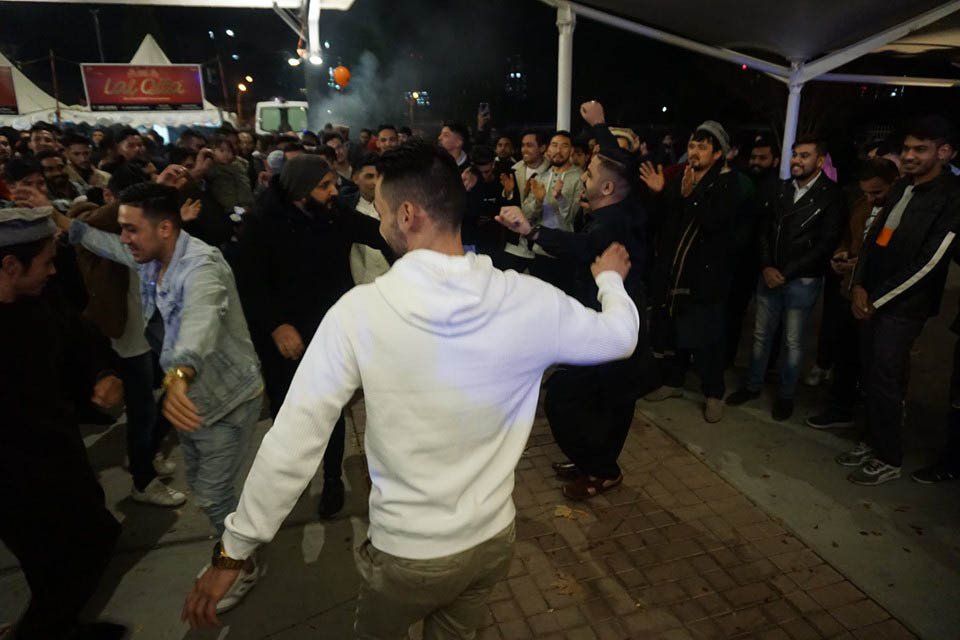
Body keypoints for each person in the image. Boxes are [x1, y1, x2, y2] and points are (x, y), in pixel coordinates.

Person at [181, 140, 639, 635]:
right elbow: (619, 337)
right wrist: (611, 281)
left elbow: (293, 442)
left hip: (408, 554)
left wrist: (234, 551)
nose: (376, 224)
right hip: (491, 542)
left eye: (379, 212)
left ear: (406, 214)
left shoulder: (359, 314)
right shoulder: (527, 300)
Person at [55, 182, 266, 612]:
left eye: (132, 230)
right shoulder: (154, 257)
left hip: (224, 401)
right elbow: (109, 247)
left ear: (165, 228)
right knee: (214, 489)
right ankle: (240, 549)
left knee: (212, 493)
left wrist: (180, 375)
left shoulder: (202, 267)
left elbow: (200, 319)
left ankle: (240, 568)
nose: (125, 239)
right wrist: (63, 224)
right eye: (123, 229)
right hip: (191, 400)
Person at [497, 100, 645, 499]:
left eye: (591, 174)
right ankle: (590, 460)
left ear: (608, 188)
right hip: (596, 325)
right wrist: (598, 127)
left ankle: (603, 468)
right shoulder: (608, 211)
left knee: (579, 401)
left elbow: (582, 247)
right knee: (580, 399)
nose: (584, 177)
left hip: (615, 331)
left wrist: (531, 231)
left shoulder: (615, 222)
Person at [235, 155, 392, 519]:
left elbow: (377, 233)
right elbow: (250, 284)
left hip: (327, 332)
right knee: (288, 412)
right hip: (281, 340)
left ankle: (333, 478)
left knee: (331, 409)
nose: (334, 191)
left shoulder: (335, 215)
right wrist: (276, 325)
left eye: (334, 183)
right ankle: (290, 476)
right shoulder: (261, 223)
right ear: (299, 189)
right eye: (324, 186)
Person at [0, 207, 126, 640]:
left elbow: (80, 336)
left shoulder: (40, 297)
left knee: (92, 542)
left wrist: (102, 373)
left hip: (59, 455)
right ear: (10, 266)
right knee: (63, 561)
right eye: (47, 263)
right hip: (14, 483)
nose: (54, 272)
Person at [838, 116, 960, 486]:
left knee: (886, 377)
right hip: (871, 299)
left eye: (919, 149)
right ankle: (872, 439)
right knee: (872, 373)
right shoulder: (902, 186)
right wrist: (858, 285)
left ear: (944, 151)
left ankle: (888, 456)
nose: (908, 156)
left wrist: (877, 297)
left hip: (904, 307)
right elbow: (875, 238)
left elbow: (932, 261)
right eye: (906, 149)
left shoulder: (951, 196)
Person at [67, 163, 188, 507]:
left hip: (152, 328)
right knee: (142, 410)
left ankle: (145, 456)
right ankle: (142, 481)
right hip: (127, 336)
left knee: (166, 394)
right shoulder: (96, 228)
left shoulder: (139, 233)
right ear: (110, 198)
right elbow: (81, 227)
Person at [726, 135, 845, 420]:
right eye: (795, 154)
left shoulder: (831, 196)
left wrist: (786, 273)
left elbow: (825, 244)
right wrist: (767, 266)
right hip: (770, 276)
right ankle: (753, 386)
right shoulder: (779, 190)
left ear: (819, 160)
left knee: (792, 341)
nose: (797, 160)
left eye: (804, 155)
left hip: (801, 281)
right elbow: (764, 231)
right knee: (760, 335)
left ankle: (786, 395)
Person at [640, 121, 740, 423]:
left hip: (706, 276)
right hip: (673, 271)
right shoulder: (678, 179)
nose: (694, 152)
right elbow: (660, 223)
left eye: (703, 147)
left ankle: (713, 394)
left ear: (719, 154)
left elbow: (713, 223)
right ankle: (673, 382)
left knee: (707, 337)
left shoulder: (729, 183)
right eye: (693, 145)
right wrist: (659, 194)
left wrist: (691, 194)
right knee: (673, 331)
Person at [806, 158, 899, 431]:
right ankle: (840, 408)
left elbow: (888, 255)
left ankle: (873, 424)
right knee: (844, 354)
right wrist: (841, 255)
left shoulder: (898, 214)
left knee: (873, 365)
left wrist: (857, 266)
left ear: (894, 184)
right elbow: (848, 237)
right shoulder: (861, 204)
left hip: (875, 300)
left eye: (877, 193)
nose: (871, 199)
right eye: (866, 192)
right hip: (848, 291)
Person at [526, 130, 584, 292]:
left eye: (564, 146)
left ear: (571, 150)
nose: (558, 150)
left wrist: (559, 198)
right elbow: (528, 216)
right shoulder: (541, 177)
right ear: (548, 149)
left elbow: (572, 217)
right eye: (554, 145)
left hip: (565, 251)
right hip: (540, 249)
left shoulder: (580, 178)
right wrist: (538, 201)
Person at [499, 130, 550, 272]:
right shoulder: (513, 170)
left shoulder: (552, 172)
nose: (524, 149)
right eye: (522, 145)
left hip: (539, 246)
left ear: (542, 148)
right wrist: (508, 193)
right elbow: (503, 205)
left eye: (529, 145)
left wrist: (540, 201)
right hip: (513, 245)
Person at [348, 153, 390, 285]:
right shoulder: (346, 209)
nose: (375, 182)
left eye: (379, 177)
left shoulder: (395, 205)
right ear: (355, 178)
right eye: (369, 176)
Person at [205, 134, 255, 214]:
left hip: (235, 206)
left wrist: (245, 204)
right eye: (221, 150)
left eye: (229, 151)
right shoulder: (210, 167)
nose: (226, 154)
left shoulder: (236, 167)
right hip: (220, 207)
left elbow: (244, 186)